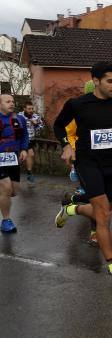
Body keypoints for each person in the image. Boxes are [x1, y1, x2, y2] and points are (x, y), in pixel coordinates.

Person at [53, 62, 112, 286]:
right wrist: (66, 146)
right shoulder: (78, 104)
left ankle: (71, 208)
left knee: (105, 210)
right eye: (110, 81)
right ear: (96, 81)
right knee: (104, 215)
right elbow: (59, 125)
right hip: (87, 162)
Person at [63, 80, 96, 246]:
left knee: (102, 197)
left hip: (103, 160)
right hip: (84, 157)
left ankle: (72, 200)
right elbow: (69, 133)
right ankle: (94, 233)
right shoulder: (79, 109)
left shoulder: (109, 108)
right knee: (95, 199)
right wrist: (73, 150)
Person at [0, 94, 29, 234]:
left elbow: (24, 136)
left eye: (13, 101)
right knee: (5, 188)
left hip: (13, 159)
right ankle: (6, 221)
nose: (11, 103)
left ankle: (2, 198)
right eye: (7, 101)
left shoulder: (20, 119)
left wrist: (24, 149)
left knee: (13, 191)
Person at [20, 101, 43, 183]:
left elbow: (41, 128)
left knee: (29, 155)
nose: (31, 110)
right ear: (24, 109)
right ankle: (29, 173)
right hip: (22, 139)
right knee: (30, 154)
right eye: (29, 109)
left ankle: (29, 173)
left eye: (32, 109)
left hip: (32, 140)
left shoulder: (36, 117)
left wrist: (36, 124)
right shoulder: (19, 116)